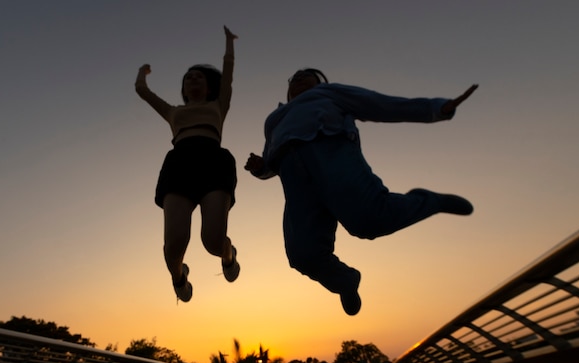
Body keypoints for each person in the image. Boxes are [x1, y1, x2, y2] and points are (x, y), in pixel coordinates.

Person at [245, 68, 478, 316]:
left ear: (321, 82)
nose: (299, 78)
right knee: (303, 254)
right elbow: (270, 162)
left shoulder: (328, 93)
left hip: (332, 156)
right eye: (294, 78)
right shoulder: (273, 119)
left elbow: (378, 104)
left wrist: (436, 108)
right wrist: (261, 168)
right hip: (294, 179)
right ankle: (345, 282)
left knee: (370, 219)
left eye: (307, 75)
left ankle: (430, 202)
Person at [135, 26, 240, 303]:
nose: (193, 79)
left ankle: (229, 255)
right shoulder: (173, 112)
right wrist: (142, 73)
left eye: (199, 77)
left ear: (208, 86)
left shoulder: (219, 104)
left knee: (213, 242)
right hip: (179, 165)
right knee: (173, 248)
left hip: (213, 162)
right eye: (188, 78)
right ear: (183, 88)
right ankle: (179, 277)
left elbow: (228, 73)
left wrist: (229, 44)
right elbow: (142, 91)